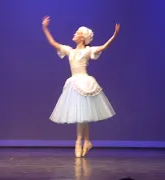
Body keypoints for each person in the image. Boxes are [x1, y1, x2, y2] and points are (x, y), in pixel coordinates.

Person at [42, 16, 120, 158]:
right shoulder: (69, 51)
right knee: (83, 114)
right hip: (74, 82)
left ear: (83, 37)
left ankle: (79, 142)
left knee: (82, 115)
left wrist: (114, 36)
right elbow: (53, 43)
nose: (74, 34)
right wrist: (45, 28)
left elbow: (103, 47)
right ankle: (86, 141)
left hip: (84, 82)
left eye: (77, 33)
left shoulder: (88, 51)